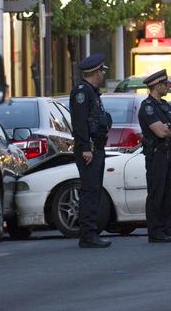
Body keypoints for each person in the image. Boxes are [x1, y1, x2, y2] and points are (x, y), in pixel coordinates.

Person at [69, 53, 113, 248]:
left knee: (94, 190)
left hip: (96, 148)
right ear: (96, 72)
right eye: (101, 71)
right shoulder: (82, 92)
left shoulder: (92, 92)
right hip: (90, 150)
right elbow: (80, 124)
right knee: (90, 190)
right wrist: (86, 147)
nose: (103, 74)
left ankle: (91, 232)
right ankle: (88, 234)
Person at [138, 70, 171, 243]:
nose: (167, 87)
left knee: (169, 193)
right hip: (156, 155)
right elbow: (160, 131)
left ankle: (168, 227)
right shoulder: (147, 107)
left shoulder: (165, 105)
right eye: (165, 85)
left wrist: (170, 128)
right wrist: (170, 127)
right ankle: (155, 231)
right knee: (156, 193)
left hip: (169, 152)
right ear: (157, 85)